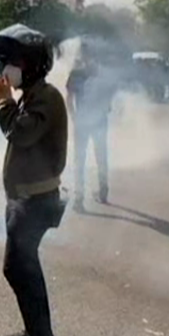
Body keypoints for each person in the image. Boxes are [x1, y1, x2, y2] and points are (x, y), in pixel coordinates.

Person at [0, 24, 68, 336]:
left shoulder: (47, 96)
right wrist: (4, 97)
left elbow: (20, 132)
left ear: (31, 65)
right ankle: (37, 333)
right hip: (25, 199)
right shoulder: (32, 95)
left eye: (14, 62)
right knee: (21, 269)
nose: (8, 69)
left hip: (36, 202)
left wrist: (3, 101)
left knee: (21, 269)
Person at [66, 40, 118, 209]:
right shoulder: (103, 73)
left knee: (80, 159)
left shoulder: (76, 72)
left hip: (83, 121)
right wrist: (105, 108)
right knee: (100, 157)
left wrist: (74, 117)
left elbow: (69, 98)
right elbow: (110, 97)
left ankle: (79, 198)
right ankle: (102, 191)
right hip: (99, 120)